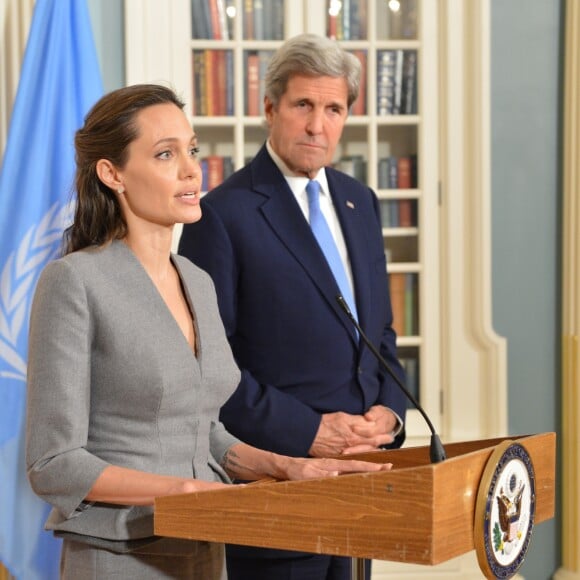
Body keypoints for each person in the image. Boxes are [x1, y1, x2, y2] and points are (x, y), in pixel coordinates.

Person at [25, 83, 393, 580]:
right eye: (164, 154)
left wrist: (287, 468)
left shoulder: (196, 280)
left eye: (192, 150)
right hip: (121, 556)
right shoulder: (74, 281)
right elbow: (54, 464)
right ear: (112, 174)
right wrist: (187, 491)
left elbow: (205, 434)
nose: (191, 169)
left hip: (205, 547)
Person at [178, 34, 407, 580]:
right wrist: (308, 431)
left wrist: (390, 412)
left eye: (333, 109)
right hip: (277, 485)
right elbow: (211, 367)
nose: (316, 125)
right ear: (270, 109)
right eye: (303, 105)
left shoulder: (361, 202)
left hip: (363, 479)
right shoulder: (221, 215)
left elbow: (381, 332)